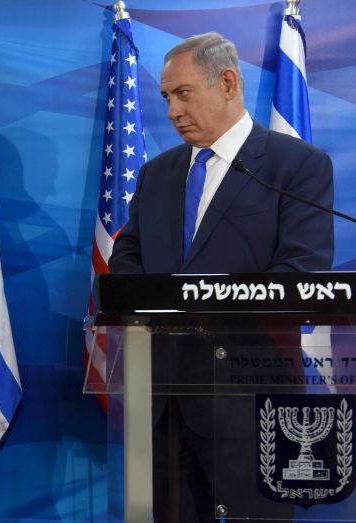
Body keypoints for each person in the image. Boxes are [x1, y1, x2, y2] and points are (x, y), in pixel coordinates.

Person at [109, 33, 334, 522]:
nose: (172, 110)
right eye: (167, 97)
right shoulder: (156, 174)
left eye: (183, 93)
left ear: (228, 83)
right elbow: (126, 259)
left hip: (248, 400)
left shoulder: (296, 166)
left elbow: (302, 272)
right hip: (163, 404)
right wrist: (156, 304)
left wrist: (200, 302)